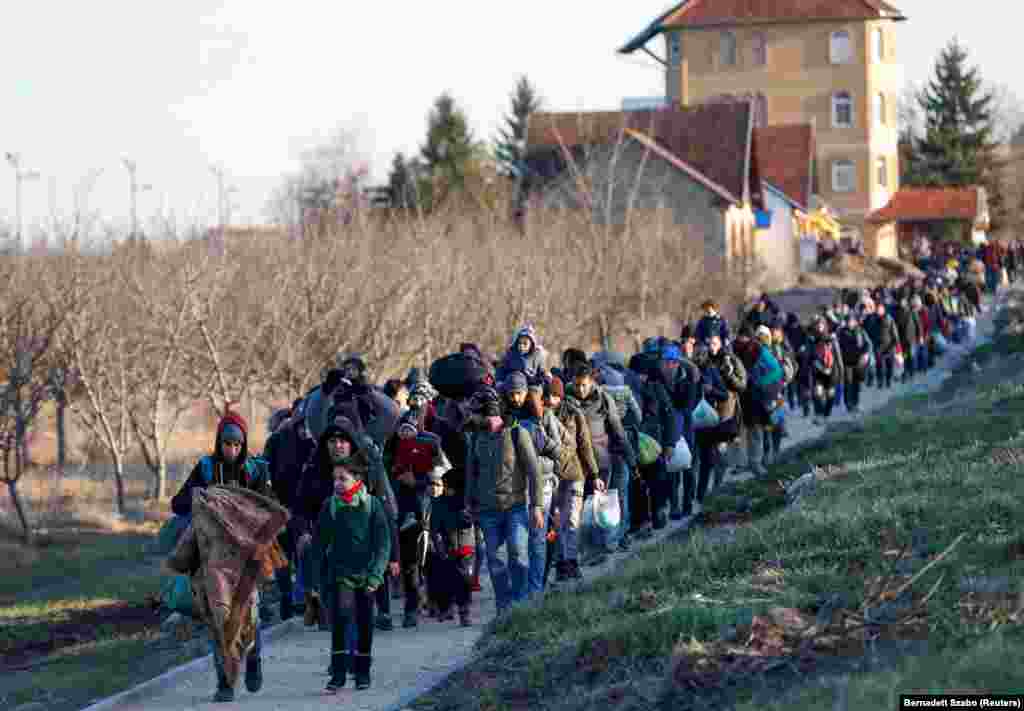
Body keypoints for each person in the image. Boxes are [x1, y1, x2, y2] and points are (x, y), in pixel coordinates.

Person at [170, 408, 273, 703]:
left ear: (243, 445)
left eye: (237, 444)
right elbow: (178, 504)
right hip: (211, 556)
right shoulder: (204, 468)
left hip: (245, 556)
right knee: (219, 621)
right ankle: (225, 683)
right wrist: (200, 499)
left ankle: (253, 657)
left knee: (249, 616)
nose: (231, 450)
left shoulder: (256, 471)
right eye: (227, 444)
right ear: (219, 442)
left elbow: (270, 509)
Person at [464, 387, 544, 617]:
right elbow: (472, 473)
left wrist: (536, 505)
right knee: (496, 561)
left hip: (515, 507)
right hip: (487, 511)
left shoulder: (518, 433)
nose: (472, 417)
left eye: (475, 413)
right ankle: (504, 608)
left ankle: (520, 605)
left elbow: (534, 471)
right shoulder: (476, 437)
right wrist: (468, 504)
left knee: (518, 556)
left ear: (488, 412)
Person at [318, 455, 392, 693]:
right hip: (340, 573)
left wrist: (376, 575)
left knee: (364, 622)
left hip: (368, 574)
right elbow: (319, 544)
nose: (337, 483)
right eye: (335, 479)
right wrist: (313, 580)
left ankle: (363, 671)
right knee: (341, 616)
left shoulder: (372, 505)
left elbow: (383, 544)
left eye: (343, 478)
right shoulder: (330, 506)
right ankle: (338, 673)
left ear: (357, 479)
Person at [387, 413, 451, 628]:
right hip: (404, 513)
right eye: (402, 429)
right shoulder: (390, 449)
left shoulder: (431, 445)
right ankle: (411, 608)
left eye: (410, 429)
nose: (405, 433)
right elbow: (384, 477)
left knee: (434, 556)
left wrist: (420, 481)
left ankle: (440, 603)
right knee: (409, 563)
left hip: (429, 511)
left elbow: (441, 473)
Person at [570, 363, 637, 564]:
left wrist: (631, 460)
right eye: (577, 385)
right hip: (575, 465)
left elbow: (618, 431)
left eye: (584, 385)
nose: (580, 390)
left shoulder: (603, 400)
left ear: (591, 382)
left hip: (600, 463)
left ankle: (600, 549)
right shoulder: (567, 400)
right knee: (578, 510)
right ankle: (579, 551)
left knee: (598, 508)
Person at [545, 376, 601, 581]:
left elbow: (585, 444)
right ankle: (561, 562)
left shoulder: (573, 413)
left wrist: (594, 474)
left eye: (554, 395)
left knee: (572, 520)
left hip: (574, 473)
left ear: (560, 396)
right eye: (547, 395)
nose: (551, 400)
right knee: (557, 522)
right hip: (551, 476)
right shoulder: (540, 415)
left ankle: (572, 561)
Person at [837, 312, 871, 413]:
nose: (850, 323)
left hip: (858, 362)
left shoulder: (860, 331)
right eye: (848, 321)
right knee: (848, 383)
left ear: (855, 322)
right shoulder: (841, 332)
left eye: (852, 321)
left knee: (856, 384)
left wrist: (865, 354)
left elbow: (867, 344)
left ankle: (856, 403)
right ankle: (848, 404)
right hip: (846, 362)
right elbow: (836, 346)